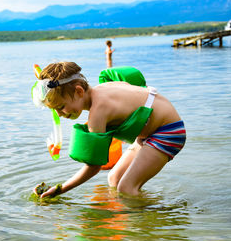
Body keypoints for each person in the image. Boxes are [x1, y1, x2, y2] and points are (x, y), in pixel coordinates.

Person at [33, 61, 186, 197]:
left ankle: (162, 217)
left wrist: (61, 189)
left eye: (61, 107)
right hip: (151, 132)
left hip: (168, 132)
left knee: (126, 188)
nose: (59, 114)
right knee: (114, 178)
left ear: (79, 91)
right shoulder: (103, 88)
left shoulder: (98, 111)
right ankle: (129, 215)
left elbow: (93, 167)